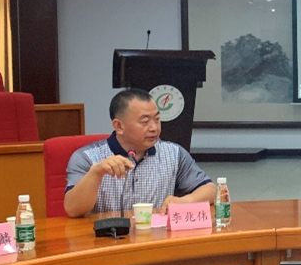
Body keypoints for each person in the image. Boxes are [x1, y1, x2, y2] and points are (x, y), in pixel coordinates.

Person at [64, 88, 215, 217]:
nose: (154, 128)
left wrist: (185, 201)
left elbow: (210, 190)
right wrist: (96, 173)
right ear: (119, 126)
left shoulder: (174, 153)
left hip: (156, 237)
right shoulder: (87, 158)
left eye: (157, 119)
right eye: (145, 122)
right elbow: (72, 209)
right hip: (107, 238)